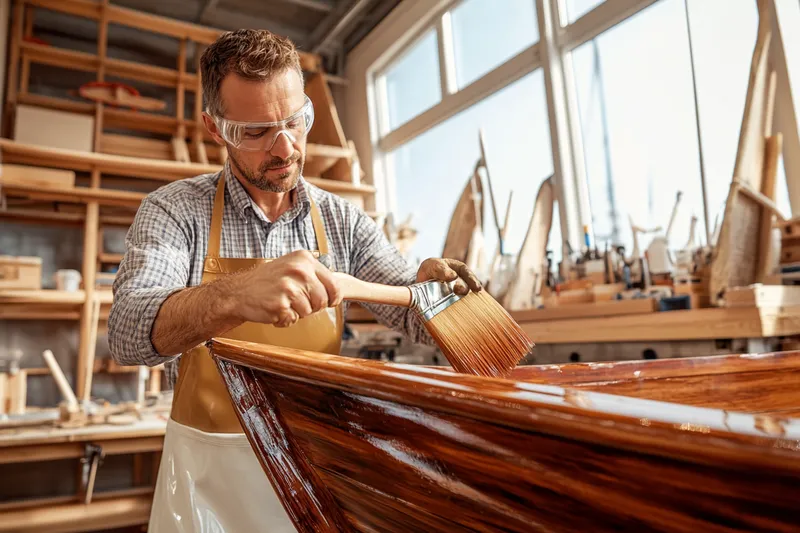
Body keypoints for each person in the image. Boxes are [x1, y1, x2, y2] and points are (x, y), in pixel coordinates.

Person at [107, 28, 482, 533]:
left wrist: (434, 289)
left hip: (314, 467)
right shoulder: (175, 213)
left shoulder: (344, 222)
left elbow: (411, 312)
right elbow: (128, 333)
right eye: (256, 132)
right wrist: (235, 294)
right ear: (215, 129)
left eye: (294, 122)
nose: (285, 148)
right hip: (207, 484)